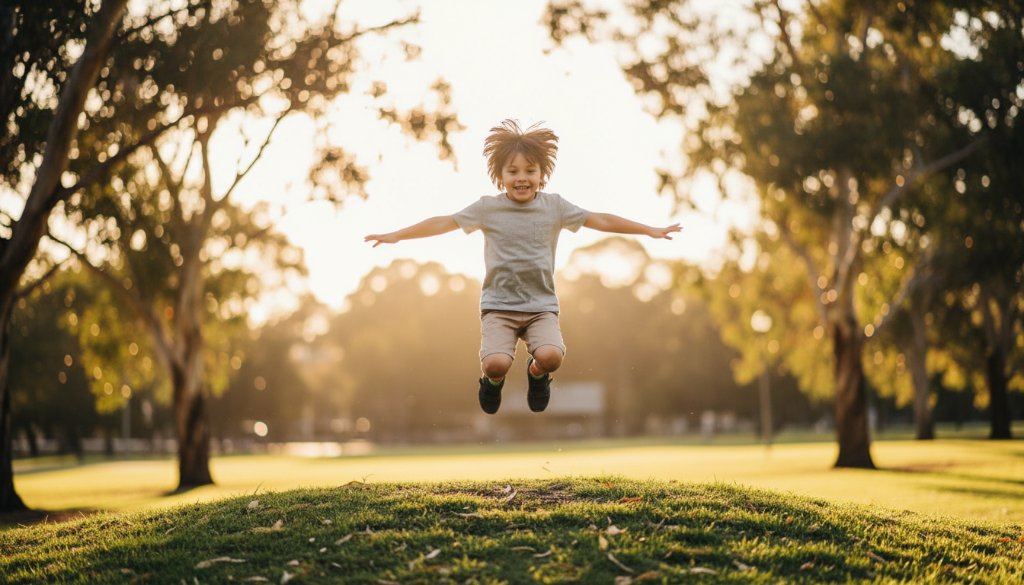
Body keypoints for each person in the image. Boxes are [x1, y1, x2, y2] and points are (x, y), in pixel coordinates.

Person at [365, 119, 680, 414]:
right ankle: (492, 384)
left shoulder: (555, 207)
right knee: (496, 364)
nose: (521, 178)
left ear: (542, 174)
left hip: (540, 307)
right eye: (513, 171)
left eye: (530, 171)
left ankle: (536, 374)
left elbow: (600, 219)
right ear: (499, 175)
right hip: (498, 307)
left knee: (551, 356)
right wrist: (397, 236)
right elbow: (443, 222)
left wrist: (649, 229)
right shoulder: (487, 209)